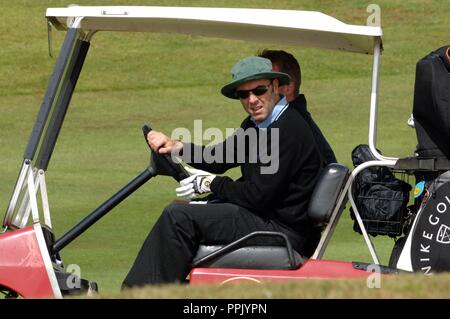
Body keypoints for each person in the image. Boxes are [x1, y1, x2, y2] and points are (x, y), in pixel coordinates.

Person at [122, 56, 323, 288]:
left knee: (178, 217)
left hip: (281, 229)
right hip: (264, 217)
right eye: (243, 95)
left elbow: (259, 196)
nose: (252, 100)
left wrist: (211, 184)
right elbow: (219, 158)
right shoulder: (257, 125)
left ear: (275, 87)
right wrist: (176, 147)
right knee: (183, 209)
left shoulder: (287, 130)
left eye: (259, 90)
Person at [259, 49, 337, 166]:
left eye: (267, 84)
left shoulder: (289, 127)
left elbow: (263, 183)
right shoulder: (268, 120)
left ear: (288, 88)